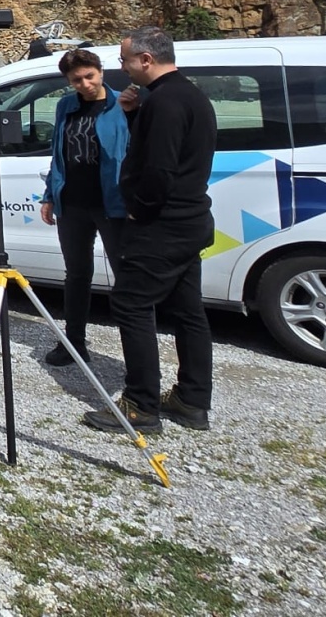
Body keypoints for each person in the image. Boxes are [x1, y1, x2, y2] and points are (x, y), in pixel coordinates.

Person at [82, 26, 216, 435]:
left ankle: (140, 405)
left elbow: (159, 168)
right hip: (190, 221)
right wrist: (136, 113)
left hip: (163, 225)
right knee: (188, 310)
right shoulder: (188, 95)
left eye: (124, 60)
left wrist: (139, 210)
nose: (120, 68)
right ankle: (192, 400)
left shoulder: (167, 103)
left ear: (145, 59)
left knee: (131, 304)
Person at [39, 48, 127, 367]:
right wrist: (50, 195)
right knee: (77, 274)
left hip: (112, 204)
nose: (85, 84)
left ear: (101, 72)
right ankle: (74, 343)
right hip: (73, 204)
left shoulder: (123, 104)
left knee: (126, 277)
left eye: (89, 76)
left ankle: (136, 349)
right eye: (76, 80)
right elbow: (58, 154)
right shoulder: (67, 106)